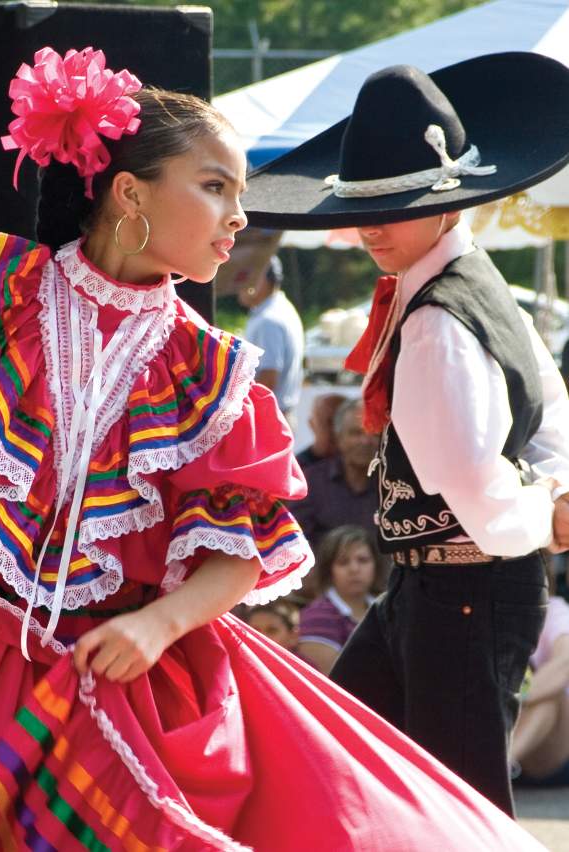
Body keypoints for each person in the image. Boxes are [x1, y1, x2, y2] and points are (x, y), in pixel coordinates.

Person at [0, 45, 548, 852]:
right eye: (215, 186)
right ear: (128, 193)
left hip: (124, 675)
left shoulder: (208, 370)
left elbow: (240, 550)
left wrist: (156, 627)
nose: (237, 218)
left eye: (240, 194)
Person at [242, 52, 569, 817]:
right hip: (438, 586)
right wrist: (552, 489)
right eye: (362, 205)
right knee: (340, 752)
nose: (367, 228)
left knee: (456, 800)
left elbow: (471, 483)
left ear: (449, 201)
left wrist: (541, 510)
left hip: (466, 586)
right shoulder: (467, 283)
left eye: (391, 205)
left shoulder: (434, 322)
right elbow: (548, 397)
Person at [289, 397, 379, 550]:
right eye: (355, 433)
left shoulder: (394, 486)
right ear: (339, 438)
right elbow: (297, 543)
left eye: (372, 433)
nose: (365, 441)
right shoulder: (310, 483)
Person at [299, 525, 384, 675]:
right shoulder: (317, 616)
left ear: (376, 565)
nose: (354, 569)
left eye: (363, 560)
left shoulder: (388, 609)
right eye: (343, 562)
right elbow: (333, 679)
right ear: (329, 570)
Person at [511, 583, 569, 787]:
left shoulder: (553, 609)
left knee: (550, 698)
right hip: (499, 726)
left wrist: (512, 700)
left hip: (553, 750)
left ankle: (501, 766)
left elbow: (565, 663)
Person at [237, 254, 304, 428]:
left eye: (244, 277)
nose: (238, 285)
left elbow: (267, 378)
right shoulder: (282, 309)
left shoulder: (268, 320)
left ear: (261, 279)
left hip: (267, 420)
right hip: (279, 415)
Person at [295, 391, 347, 471]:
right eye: (329, 422)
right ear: (312, 424)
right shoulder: (297, 467)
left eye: (340, 422)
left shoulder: (360, 463)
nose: (335, 429)